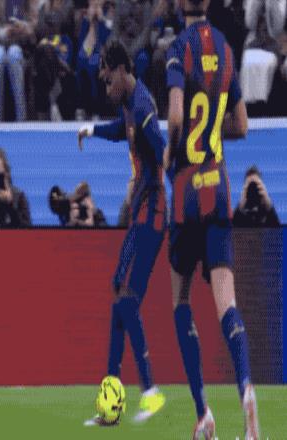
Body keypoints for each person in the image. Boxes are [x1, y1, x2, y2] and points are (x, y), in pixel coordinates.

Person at [165, 0, 259, 438]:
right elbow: (241, 124)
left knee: (181, 300)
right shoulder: (224, 47)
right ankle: (246, 389)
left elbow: (176, 116)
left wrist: (173, 150)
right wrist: (213, 129)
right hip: (218, 185)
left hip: (187, 188)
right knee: (228, 303)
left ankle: (203, 413)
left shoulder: (178, 48)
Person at [79, 39, 166, 425]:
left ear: (120, 70)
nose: (105, 86)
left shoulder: (144, 108)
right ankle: (111, 403)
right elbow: (120, 130)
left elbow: (163, 152)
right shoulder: (130, 105)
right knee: (119, 293)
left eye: (106, 79)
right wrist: (92, 129)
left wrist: (162, 190)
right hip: (141, 212)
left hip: (154, 213)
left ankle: (150, 391)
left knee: (127, 299)